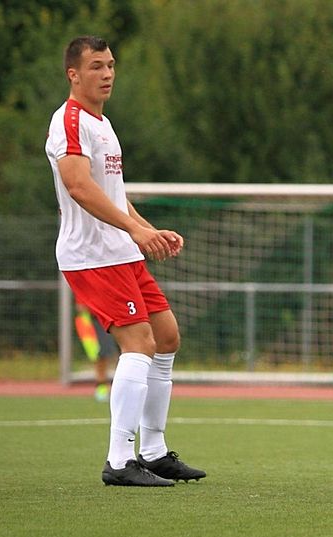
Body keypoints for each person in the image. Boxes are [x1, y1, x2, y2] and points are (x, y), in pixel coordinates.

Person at [45, 35, 205, 487]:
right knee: (139, 344)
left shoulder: (102, 123)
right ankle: (119, 460)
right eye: (96, 66)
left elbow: (112, 193)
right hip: (92, 255)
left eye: (111, 64)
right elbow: (79, 186)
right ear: (73, 74)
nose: (108, 73)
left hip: (121, 250)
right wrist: (133, 230)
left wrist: (146, 228)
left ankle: (152, 451)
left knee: (167, 336)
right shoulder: (70, 122)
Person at [74, 302, 116, 402]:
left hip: (108, 317)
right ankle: (101, 388)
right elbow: (81, 307)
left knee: (106, 354)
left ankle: (105, 387)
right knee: (100, 355)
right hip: (94, 320)